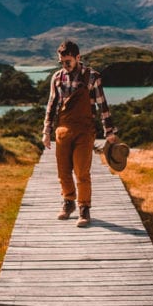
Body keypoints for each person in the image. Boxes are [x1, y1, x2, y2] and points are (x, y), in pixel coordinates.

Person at [42, 40, 119, 228]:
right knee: (63, 171)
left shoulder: (92, 77)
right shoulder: (57, 78)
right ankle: (68, 203)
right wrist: (46, 131)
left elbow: (103, 105)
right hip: (62, 130)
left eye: (68, 61)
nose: (65, 65)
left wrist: (109, 131)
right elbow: (52, 106)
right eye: (61, 62)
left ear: (78, 58)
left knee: (82, 171)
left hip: (85, 131)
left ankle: (84, 208)